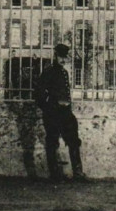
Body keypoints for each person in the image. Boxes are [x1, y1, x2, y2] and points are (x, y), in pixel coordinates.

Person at [35, 43, 86, 182]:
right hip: (53, 113)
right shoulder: (48, 72)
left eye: (65, 57)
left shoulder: (64, 72)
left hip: (65, 113)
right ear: (55, 56)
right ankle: (55, 175)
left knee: (74, 141)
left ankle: (78, 173)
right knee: (52, 142)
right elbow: (39, 94)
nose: (63, 60)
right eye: (61, 57)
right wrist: (49, 108)